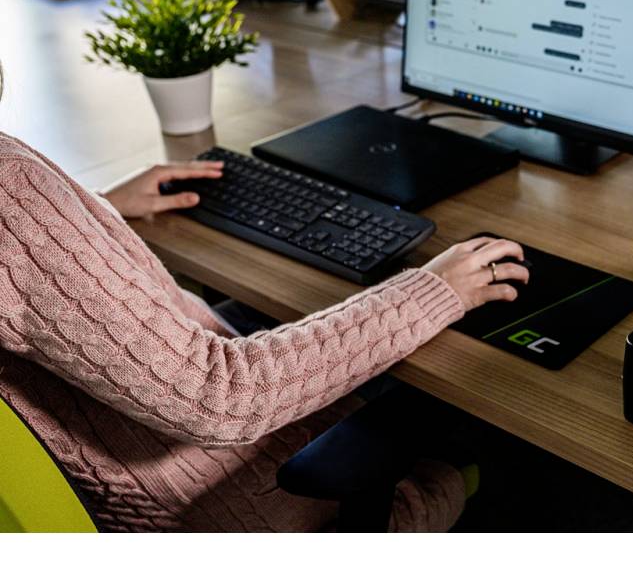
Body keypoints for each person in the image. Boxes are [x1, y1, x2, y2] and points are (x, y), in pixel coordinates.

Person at [0, 113, 529, 532]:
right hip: (251, 502)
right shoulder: (10, 191)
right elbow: (218, 397)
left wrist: (89, 215)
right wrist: (434, 289)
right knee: (499, 411)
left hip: (140, 488)